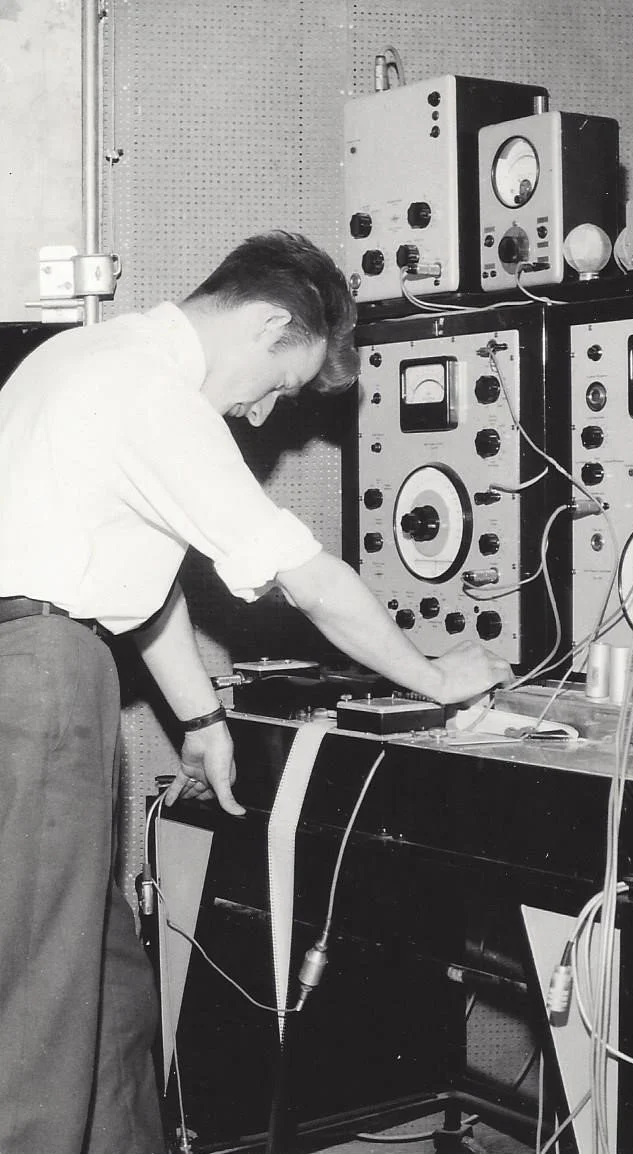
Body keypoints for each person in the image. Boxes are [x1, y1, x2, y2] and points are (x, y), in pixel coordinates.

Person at [0, 230, 513, 1154]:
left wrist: (200, 717)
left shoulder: (84, 358)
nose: (265, 412)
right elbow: (309, 581)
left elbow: (132, 578)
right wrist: (438, 677)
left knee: (104, 991)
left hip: (39, 664)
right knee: (40, 1015)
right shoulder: (153, 393)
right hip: (40, 682)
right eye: (282, 381)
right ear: (270, 324)